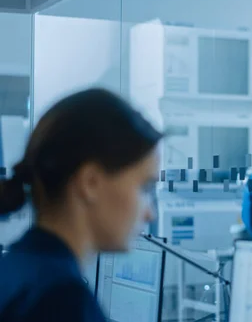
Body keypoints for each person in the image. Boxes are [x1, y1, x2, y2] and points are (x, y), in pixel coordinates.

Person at [0, 88, 162, 321]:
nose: (150, 214)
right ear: (90, 183)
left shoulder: (17, 268)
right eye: (144, 188)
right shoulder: (61, 299)